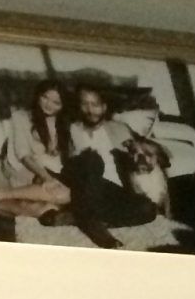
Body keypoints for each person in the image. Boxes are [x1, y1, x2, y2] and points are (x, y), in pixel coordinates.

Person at [63, 82, 172, 247]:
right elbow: (67, 164)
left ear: (104, 107)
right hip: (88, 185)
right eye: (85, 104)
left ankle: (79, 218)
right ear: (79, 106)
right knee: (92, 159)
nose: (90, 110)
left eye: (95, 105)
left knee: (147, 209)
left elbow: (147, 149)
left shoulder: (119, 129)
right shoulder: (71, 129)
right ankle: (99, 233)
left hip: (117, 192)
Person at [0, 79, 72, 223]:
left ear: (63, 105)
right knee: (64, 196)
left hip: (53, 170)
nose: (48, 104)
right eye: (45, 97)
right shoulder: (21, 117)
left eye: (56, 102)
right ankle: (0, 194)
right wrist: (47, 178)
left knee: (52, 206)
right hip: (28, 169)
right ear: (38, 95)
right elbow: (23, 155)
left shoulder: (64, 122)